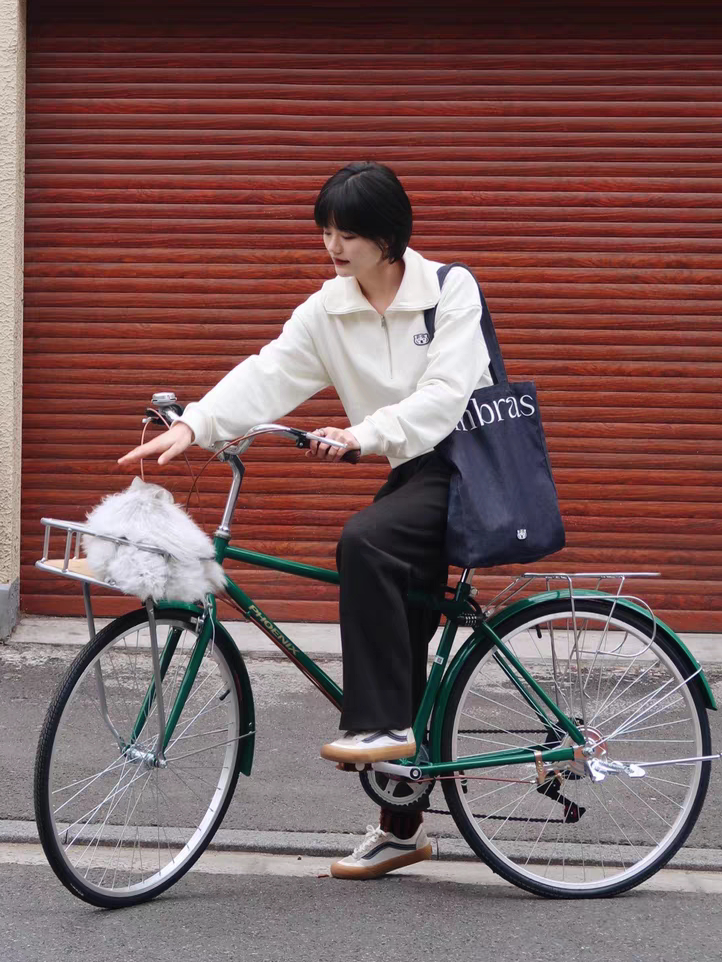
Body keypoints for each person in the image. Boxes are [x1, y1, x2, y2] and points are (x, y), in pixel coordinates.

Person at [118, 161, 491, 880]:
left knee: (365, 540)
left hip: (467, 469)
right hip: (410, 477)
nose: (332, 245)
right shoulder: (330, 310)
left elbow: (446, 396)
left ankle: (378, 724)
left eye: (347, 233)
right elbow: (270, 372)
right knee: (399, 630)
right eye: (325, 231)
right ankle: (401, 828)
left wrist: (361, 435)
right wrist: (195, 426)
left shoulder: (449, 291)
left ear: (388, 237)